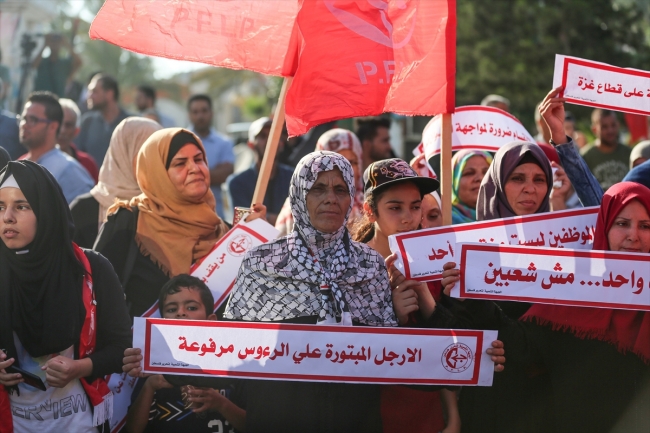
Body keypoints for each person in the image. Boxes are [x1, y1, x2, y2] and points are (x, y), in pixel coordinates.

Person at [223, 151, 505, 432]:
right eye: (318, 188)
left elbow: (398, 360)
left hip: (355, 420)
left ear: (351, 199)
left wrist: (476, 356)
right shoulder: (262, 262)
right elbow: (229, 355)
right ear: (298, 193)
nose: (330, 198)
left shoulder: (369, 265)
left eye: (340, 189)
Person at [0, 160, 131, 432]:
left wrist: (80, 367)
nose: (7, 217)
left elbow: (122, 347)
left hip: (78, 423)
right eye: (0, 207)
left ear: (46, 210)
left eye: (21, 206)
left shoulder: (90, 268)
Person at [447, 140, 566, 433]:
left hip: (539, 400)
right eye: (517, 178)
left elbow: (544, 344)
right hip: (486, 402)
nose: (530, 188)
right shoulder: (462, 249)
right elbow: (452, 339)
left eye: (540, 180)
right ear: (498, 184)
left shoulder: (563, 254)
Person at [513, 182, 650, 432]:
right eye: (622, 224)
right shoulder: (570, 291)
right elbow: (521, 349)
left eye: (645, 226)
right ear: (604, 228)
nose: (634, 235)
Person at [93, 127, 264, 319]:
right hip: (139, 348)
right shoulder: (128, 222)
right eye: (180, 163)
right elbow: (95, 294)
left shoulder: (225, 232)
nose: (194, 168)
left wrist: (258, 240)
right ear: (157, 173)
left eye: (199, 160)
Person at [352, 158, 462, 433]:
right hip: (370, 414)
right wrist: (392, 318)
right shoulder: (349, 267)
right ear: (370, 210)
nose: (407, 218)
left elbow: (450, 348)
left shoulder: (436, 262)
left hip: (427, 414)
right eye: (395, 207)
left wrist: (453, 415)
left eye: (415, 207)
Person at [123, 275, 246, 433]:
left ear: (211, 321)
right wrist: (150, 386)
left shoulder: (233, 365)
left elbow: (255, 425)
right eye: (172, 309)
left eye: (192, 308)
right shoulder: (153, 366)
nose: (181, 313)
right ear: (162, 322)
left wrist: (221, 404)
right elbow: (133, 429)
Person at [70, 117, 162, 249]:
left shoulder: (169, 208)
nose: (155, 162)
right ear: (124, 153)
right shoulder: (83, 210)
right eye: (146, 153)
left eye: (160, 154)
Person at [275, 128, 364, 236]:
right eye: (336, 162)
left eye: (352, 162)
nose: (345, 168)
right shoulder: (297, 206)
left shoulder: (367, 208)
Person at [17, 91, 94, 203]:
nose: (24, 124)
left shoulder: (70, 172)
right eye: (24, 118)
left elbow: (84, 217)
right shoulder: (18, 165)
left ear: (53, 126)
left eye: (32, 120)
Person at [226, 117, 292, 226]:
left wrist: (263, 217)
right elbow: (247, 222)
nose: (269, 141)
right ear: (251, 144)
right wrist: (284, 218)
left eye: (274, 135)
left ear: (281, 143)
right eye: (263, 136)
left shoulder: (294, 178)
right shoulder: (237, 183)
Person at [188, 94, 234, 219]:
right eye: (195, 112)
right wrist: (212, 173)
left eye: (204, 111)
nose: (200, 116)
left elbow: (226, 173)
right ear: (189, 115)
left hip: (216, 213)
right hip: (187, 215)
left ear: (211, 113)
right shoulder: (180, 142)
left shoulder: (224, 142)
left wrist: (190, 175)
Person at [75, 74, 131, 166]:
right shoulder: (87, 122)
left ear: (109, 94)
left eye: (94, 91)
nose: (89, 96)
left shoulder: (130, 123)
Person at [580, 109, 631, 191]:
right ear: (594, 129)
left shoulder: (629, 153)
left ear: (618, 125)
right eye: (604, 127)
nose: (610, 130)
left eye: (613, 125)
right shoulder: (585, 157)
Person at [58, 98, 99, 182]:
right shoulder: (33, 161)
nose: (62, 130)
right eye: (59, 123)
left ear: (76, 131)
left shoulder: (88, 164)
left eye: (68, 125)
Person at [32, 33, 81, 98]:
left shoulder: (64, 64)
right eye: (52, 42)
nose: (54, 44)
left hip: (57, 100)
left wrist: (66, 44)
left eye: (57, 42)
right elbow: (33, 65)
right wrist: (45, 45)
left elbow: (79, 62)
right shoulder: (43, 61)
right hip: (39, 97)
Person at [450, 150, 492, 224]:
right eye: (469, 173)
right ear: (453, 180)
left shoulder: (511, 219)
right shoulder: (440, 221)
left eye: (486, 172)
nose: (480, 178)